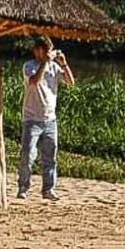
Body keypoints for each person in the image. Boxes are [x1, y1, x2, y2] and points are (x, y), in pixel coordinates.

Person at [17, 36, 74, 200]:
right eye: (46, 50)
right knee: (28, 155)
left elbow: (70, 82)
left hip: (50, 120)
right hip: (31, 119)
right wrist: (44, 62)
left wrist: (63, 63)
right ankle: (23, 188)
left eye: (50, 50)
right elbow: (34, 81)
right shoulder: (29, 66)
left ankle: (48, 189)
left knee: (50, 156)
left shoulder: (54, 67)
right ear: (37, 51)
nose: (49, 54)